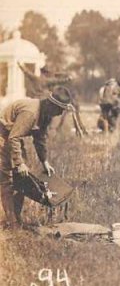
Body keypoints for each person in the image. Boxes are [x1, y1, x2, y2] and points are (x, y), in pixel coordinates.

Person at [0, 86, 74, 228]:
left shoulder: (45, 114)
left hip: (11, 136)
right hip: (3, 137)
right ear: (51, 105)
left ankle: (16, 217)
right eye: (59, 109)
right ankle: (12, 223)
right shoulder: (31, 113)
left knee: (21, 179)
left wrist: (44, 161)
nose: (59, 114)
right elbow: (14, 138)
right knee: (7, 181)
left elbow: (39, 139)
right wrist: (19, 163)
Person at [18, 63, 88, 137]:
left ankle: (33, 130)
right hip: (45, 101)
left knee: (36, 117)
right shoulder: (48, 80)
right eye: (47, 73)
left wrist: (20, 66)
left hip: (35, 101)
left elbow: (27, 72)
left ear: (41, 72)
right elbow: (58, 81)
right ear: (46, 73)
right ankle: (46, 132)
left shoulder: (35, 78)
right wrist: (68, 79)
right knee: (48, 117)